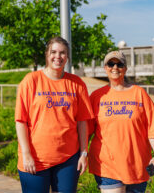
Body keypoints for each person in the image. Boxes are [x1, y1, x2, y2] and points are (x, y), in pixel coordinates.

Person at [15, 36, 94, 193]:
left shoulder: (77, 84)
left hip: (68, 159)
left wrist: (84, 153)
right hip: (36, 158)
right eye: (54, 52)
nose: (58, 56)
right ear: (47, 54)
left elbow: (82, 122)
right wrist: (26, 154)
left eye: (62, 53)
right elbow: (20, 121)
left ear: (67, 57)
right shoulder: (31, 81)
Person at [88, 51, 154, 193]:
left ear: (125, 68)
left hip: (137, 164)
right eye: (111, 64)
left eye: (119, 64)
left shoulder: (139, 93)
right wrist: (81, 155)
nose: (115, 67)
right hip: (107, 164)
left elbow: (152, 127)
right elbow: (86, 131)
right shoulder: (97, 96)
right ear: (105, 68)